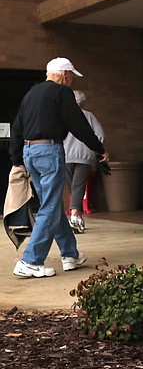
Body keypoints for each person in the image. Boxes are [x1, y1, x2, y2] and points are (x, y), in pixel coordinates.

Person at [8, 57, 109, 278]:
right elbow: (79, 125)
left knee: (51, 204)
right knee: (50, 207)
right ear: (64, 73)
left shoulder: (31, 94)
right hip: (49, 151)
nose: (72, 79)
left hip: (29, 153)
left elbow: (17, 127)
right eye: (72, 75)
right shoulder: (62, 93)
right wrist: (99, 149)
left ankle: (70, 254)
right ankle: (30, 261)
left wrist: (16, 159)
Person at [64, 90, 105, 233]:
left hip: (65, 157)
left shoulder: (63, 116)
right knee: (78, 187)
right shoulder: (89, 116)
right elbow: (100, 135)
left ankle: (75, 215)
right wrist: (96, 150)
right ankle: (76, 215)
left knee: (72, 187)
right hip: (84, 156)